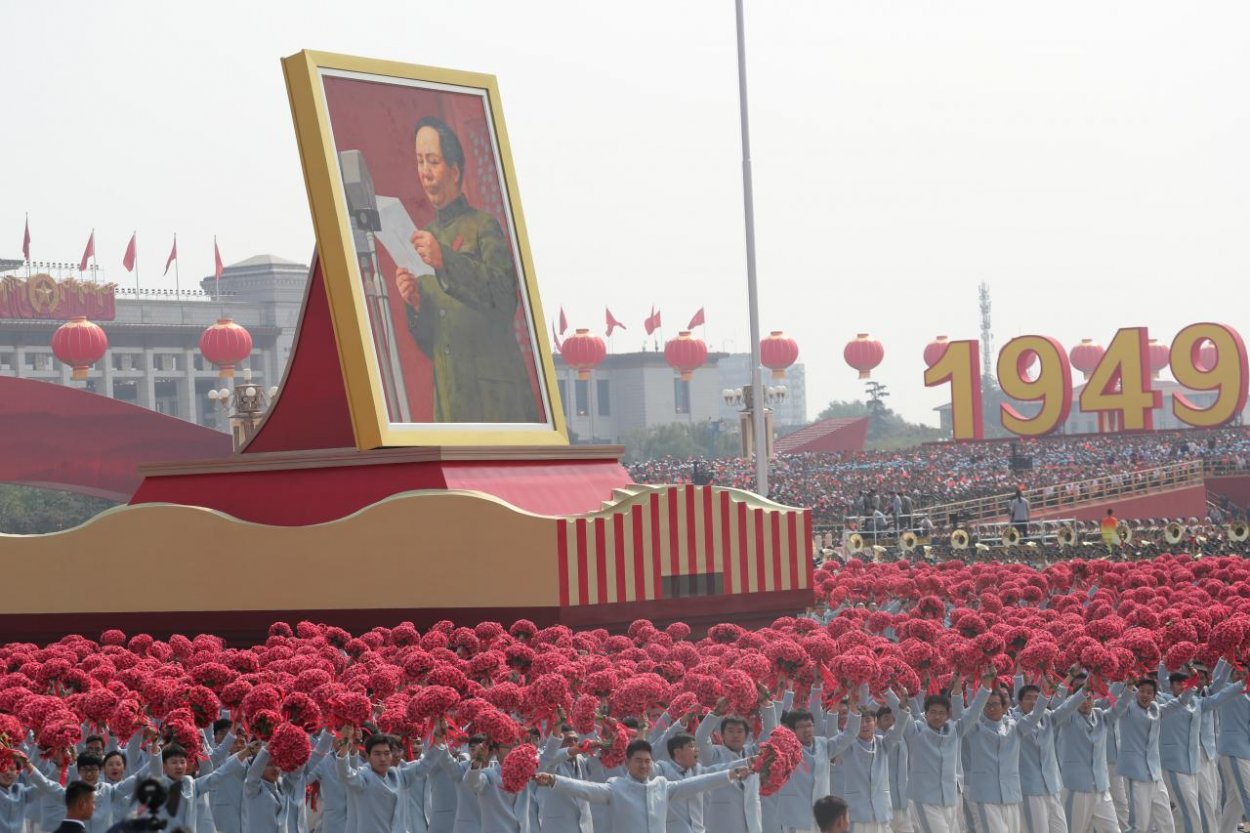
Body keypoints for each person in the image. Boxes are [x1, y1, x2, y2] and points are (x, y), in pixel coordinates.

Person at [393, 115, 540, 425]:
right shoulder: (424, 236)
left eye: (432, 161)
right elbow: (431, 341)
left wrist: (445, 260)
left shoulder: (483, 226)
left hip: (493, 398)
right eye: (420, 162)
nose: (425, 173)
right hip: (451, 398)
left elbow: (503, 299)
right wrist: (416, 305)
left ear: (455, 170)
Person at [535, 739, 749, 832]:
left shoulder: (662, 785)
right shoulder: (615, 787)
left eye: (647, 761)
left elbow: (697, 783)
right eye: (638, 761)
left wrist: (729, 774)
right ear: (627, 763)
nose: (644, 765)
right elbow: (585, 789)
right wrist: (555, 780)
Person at [903, 676, 991, 833]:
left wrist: (986, 684)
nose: (937, 716)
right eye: (933, 712)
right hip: (924, 799)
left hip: (951, 798)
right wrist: (893, 693)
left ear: (947, 715)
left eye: (941, 713)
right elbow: (901, 713)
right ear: (926, 714)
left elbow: (976, 710)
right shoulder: (915, 732)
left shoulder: (955, 730)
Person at [1114, 677, 1188, 833]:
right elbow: (1118, 704)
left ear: (1155, 695)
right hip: (1136, 775)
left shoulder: (1156, 709)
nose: (1145, 695)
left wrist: (1192, 684)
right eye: (1141, 691)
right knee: (1138, 826)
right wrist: (1128, 687)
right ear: (1136, 692)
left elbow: (1180, 702)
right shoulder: (1127, 708)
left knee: (1167, 823)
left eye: (1149, 692)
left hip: (1155, 775)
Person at [1054, 675, 1123, 833]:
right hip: (1077, 789)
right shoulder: (1068, 718)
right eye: (1082, 699)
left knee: (1113, 829)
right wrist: (1071, 674)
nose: (1086, 702)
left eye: (1089, 698)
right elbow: (1058, 704)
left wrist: (1127, 682)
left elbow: (1118, 707)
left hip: (1101, 788)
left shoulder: (1100, 715)